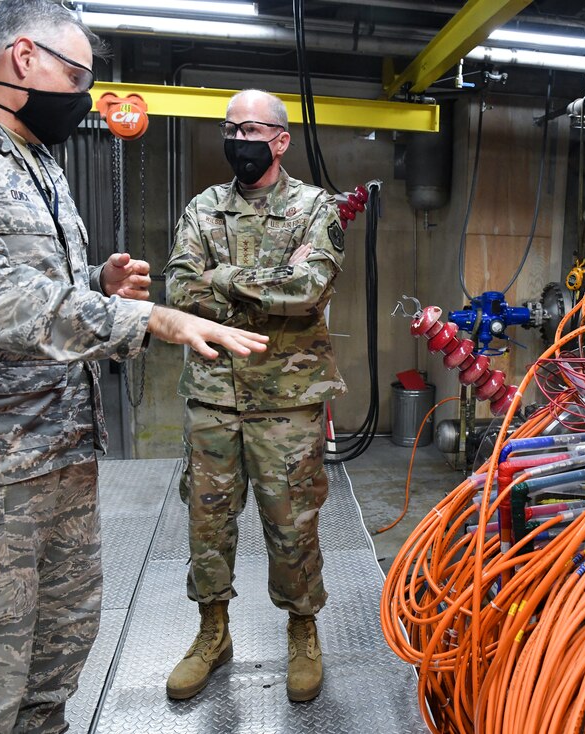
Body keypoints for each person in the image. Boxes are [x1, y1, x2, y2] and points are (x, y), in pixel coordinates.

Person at [0, 1, 269, 731]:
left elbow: (38, 292)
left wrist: (94, 288)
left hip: (63, 457)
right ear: (24, 58)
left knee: (55, 664)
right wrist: (148, 316)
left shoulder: (38, 159)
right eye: (75, 74)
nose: (82, 93)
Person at [163, 89, 347, 703]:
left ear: (280, 139)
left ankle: (302, 632)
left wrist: (222, 277)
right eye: (230, 127)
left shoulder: (315, 208)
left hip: (286, 398)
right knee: (207, 521)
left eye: (252, 128)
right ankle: (213, 634)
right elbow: (180, 290)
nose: (239, 138)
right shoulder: (204, 207)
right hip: (213, 395)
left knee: (292, 523)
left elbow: (309, 289)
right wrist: (257, 289)